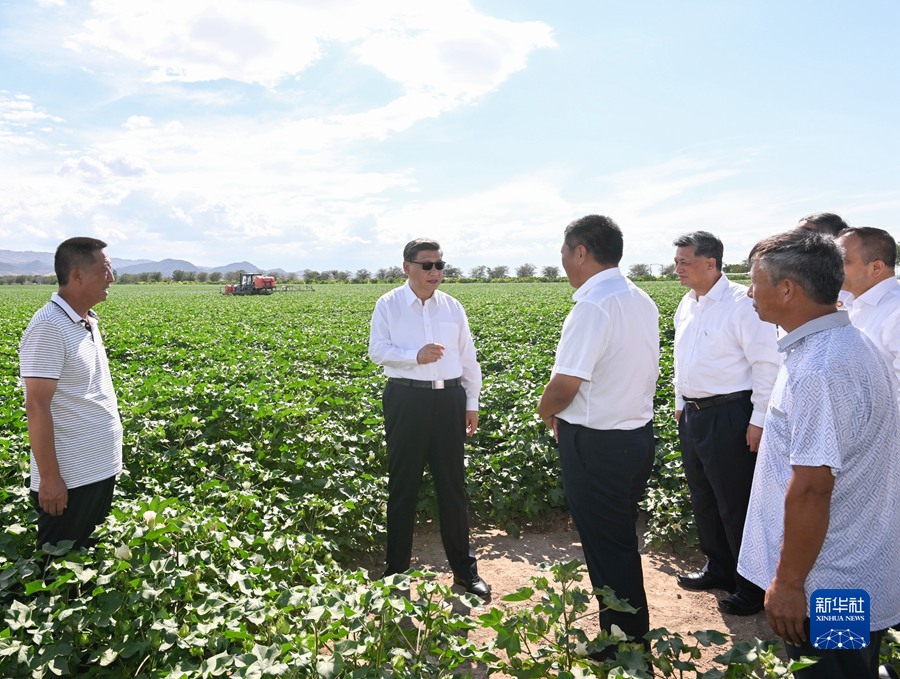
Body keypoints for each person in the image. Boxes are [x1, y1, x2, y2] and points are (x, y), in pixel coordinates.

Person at [739, 229, 900, 678]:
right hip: (849, 567)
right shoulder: (850, 344)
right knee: (853, 669)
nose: (750, 293)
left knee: (830, 672)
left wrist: (790, 584)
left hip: (828, 583)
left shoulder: (821, 369)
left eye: (756, 281)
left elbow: (811, 488)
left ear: (787, 288)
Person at [537, 215, 659, 644]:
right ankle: (630, 629)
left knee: (607, 546)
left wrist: (544, 410)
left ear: (582, 252)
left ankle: (622, 640)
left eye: (564, 253)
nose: (564, 262)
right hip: (636, 438)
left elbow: (566, 384)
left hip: (597, 445)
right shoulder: (640, 298)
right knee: (620, 538)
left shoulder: (592, 305)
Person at [368, 238, 489, 597]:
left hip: (450, 398)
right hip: (406, 398)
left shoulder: (453, 308)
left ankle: (465, 572)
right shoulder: (388, 305)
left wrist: (472, 402)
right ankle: (396, 572)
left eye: (440, 265)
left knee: (452, 487)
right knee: (403, 487)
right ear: (407, 267)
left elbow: (468, 358)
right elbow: (377, 350)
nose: (435, 272)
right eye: (427, 265)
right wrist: (413, 356)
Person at [671, 231, 780, 616]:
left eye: (685, 261)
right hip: (694, 414)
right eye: (677, 260)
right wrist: (680, 402)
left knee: (736, 501)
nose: (677, 267)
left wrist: (759, 419)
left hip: (732, 414)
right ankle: (719, 567)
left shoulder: (740, 305)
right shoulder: (687, 304)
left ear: (711, 263)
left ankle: (751, 585)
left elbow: (766, 363)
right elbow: (681, 358)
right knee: (703, 496)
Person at [19, 237, 123, 555]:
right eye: (104, 269)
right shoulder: (48, 326)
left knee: (85, 568)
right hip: (71, 479)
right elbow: (37, 405)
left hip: (99, 469)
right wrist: (50, 478)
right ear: (76, 275)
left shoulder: (86, 321)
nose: (112, 277)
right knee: (55, 575)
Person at [834, 227, 900, 405]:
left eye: (843, 261)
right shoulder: (850, 303)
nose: (833, 268)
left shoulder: (896, 311)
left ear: (876, 267)